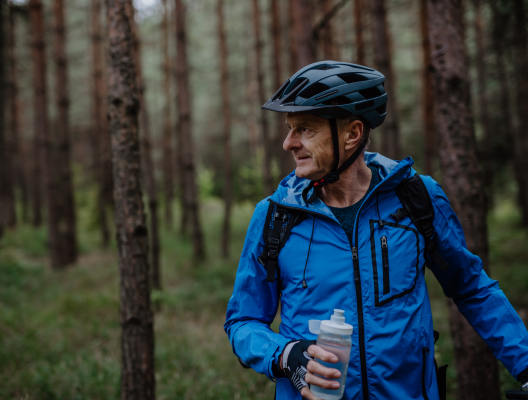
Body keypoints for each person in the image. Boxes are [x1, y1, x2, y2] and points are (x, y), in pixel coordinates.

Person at [224, 61, 528, 400]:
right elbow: (243, 321)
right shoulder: (274, 216)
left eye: (305, 129)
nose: (288, 143)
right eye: (289, 128)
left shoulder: (417, 197)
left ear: (352, 134)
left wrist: (526, 367)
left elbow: (473, 288)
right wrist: (285, 354)